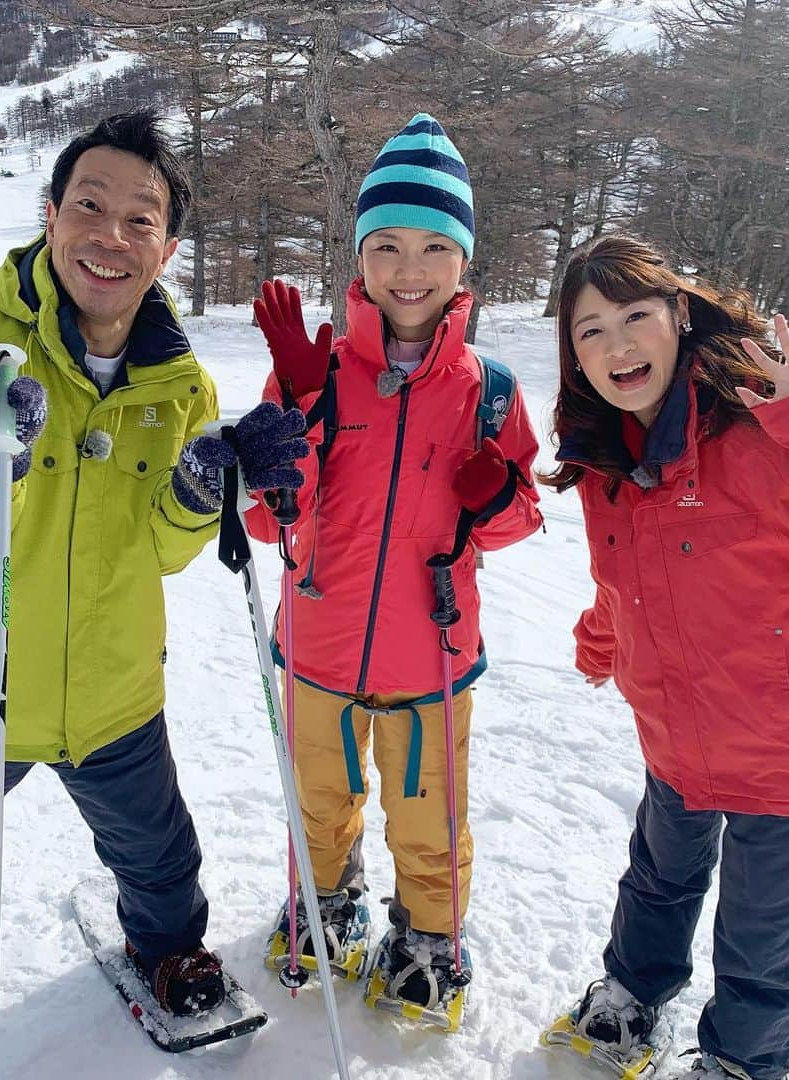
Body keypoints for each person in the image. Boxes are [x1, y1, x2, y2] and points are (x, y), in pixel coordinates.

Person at [0, 108, 306, 1043]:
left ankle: (167, 949)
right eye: (90, 204)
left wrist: (200, 490)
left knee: (159, 856)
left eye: (141, 218)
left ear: (168, 246)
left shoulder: (177, 381)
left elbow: (158, 546)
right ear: (51, 213)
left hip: (113, 686)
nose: (111, 236)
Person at [541, 234, 789, 1079]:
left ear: (678, 316)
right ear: (573, 355)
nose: (617, 345)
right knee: (656, 880)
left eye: (635, 316)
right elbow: (625, 579)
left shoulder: (768, 433)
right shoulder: (607, 462)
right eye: (590, 331)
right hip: (679, 736)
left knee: (763, 934)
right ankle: (631, 992)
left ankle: (742, 1062)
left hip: (788, 752)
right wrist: (600, 639)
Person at [246, 114, 543, 1011]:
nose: (408, 269)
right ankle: (325, 905)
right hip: (321, 645)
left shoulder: (490, 391)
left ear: (463, 264)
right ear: (359, 255)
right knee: (319, 799)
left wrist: (494, 494)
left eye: (432, 247)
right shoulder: (317, 370)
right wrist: (296, 405)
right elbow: (269, 519)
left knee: (429, 818)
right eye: (386, 246)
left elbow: (518, 521)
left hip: (433, 658)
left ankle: (428, 940)